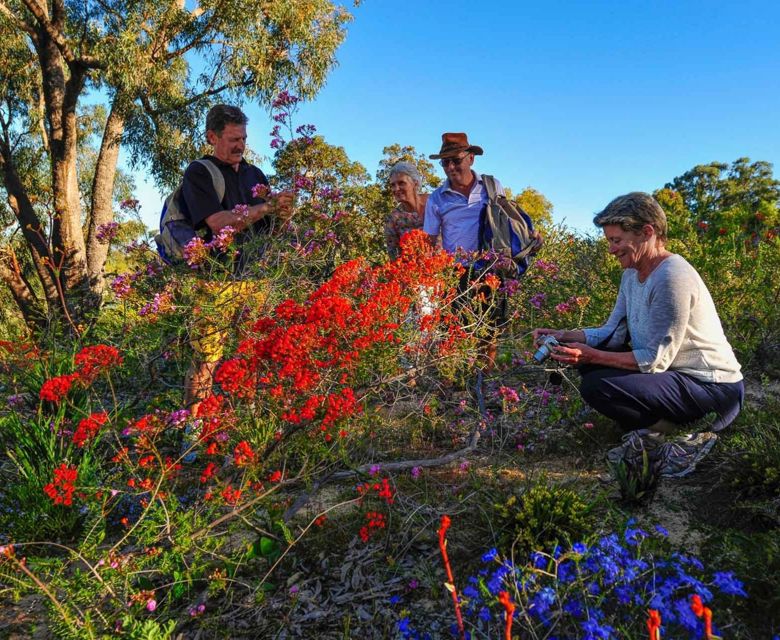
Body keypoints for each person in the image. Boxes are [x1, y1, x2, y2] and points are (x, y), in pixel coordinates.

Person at [533, 192, 744, 478]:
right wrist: (565, 336)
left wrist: (590, 355)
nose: (611, 249)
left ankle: (671, 431)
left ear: (647, 232)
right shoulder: (631, 274)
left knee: (596, 384)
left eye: (616, 240)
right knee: (592, 367)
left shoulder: (672, 277)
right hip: (675, 377)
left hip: (714, 391)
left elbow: (656, 360)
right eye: (609, 241)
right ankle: (657, 426)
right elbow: (613, 332)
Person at [180, 104, 293, 414]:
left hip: (255, 277)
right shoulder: (200, 172)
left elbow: (271, 230)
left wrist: (283, 213)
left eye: (243, 138)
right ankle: (192, 427)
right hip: (214, 279)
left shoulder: (255, 174)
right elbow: (216, 223)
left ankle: (246, 418)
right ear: (212, 137)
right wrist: (265, 208)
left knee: (252, 353)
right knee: (207, 358)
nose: (240, 145)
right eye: (232, 139)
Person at [424, 132, 539, 368]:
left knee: (490, 327)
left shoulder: (491, 185)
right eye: (445, 162)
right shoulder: (437, 198)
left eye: (456, 160)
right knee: (452, 328)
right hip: (455, 272)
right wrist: (432, 275)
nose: (450, 167)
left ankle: (483, 379)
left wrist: (529, 236)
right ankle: (452, 383)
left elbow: (506, 218)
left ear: (471, 159)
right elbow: (429, 240)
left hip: (490, 268)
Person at [383, 161, 429, 259]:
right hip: (414, 272)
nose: (396, 189)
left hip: (448, 269)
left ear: (415, 183)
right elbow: (394, 255)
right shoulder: (393, 219)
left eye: (401, 183)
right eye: (393, 185)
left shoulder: (434, 203)